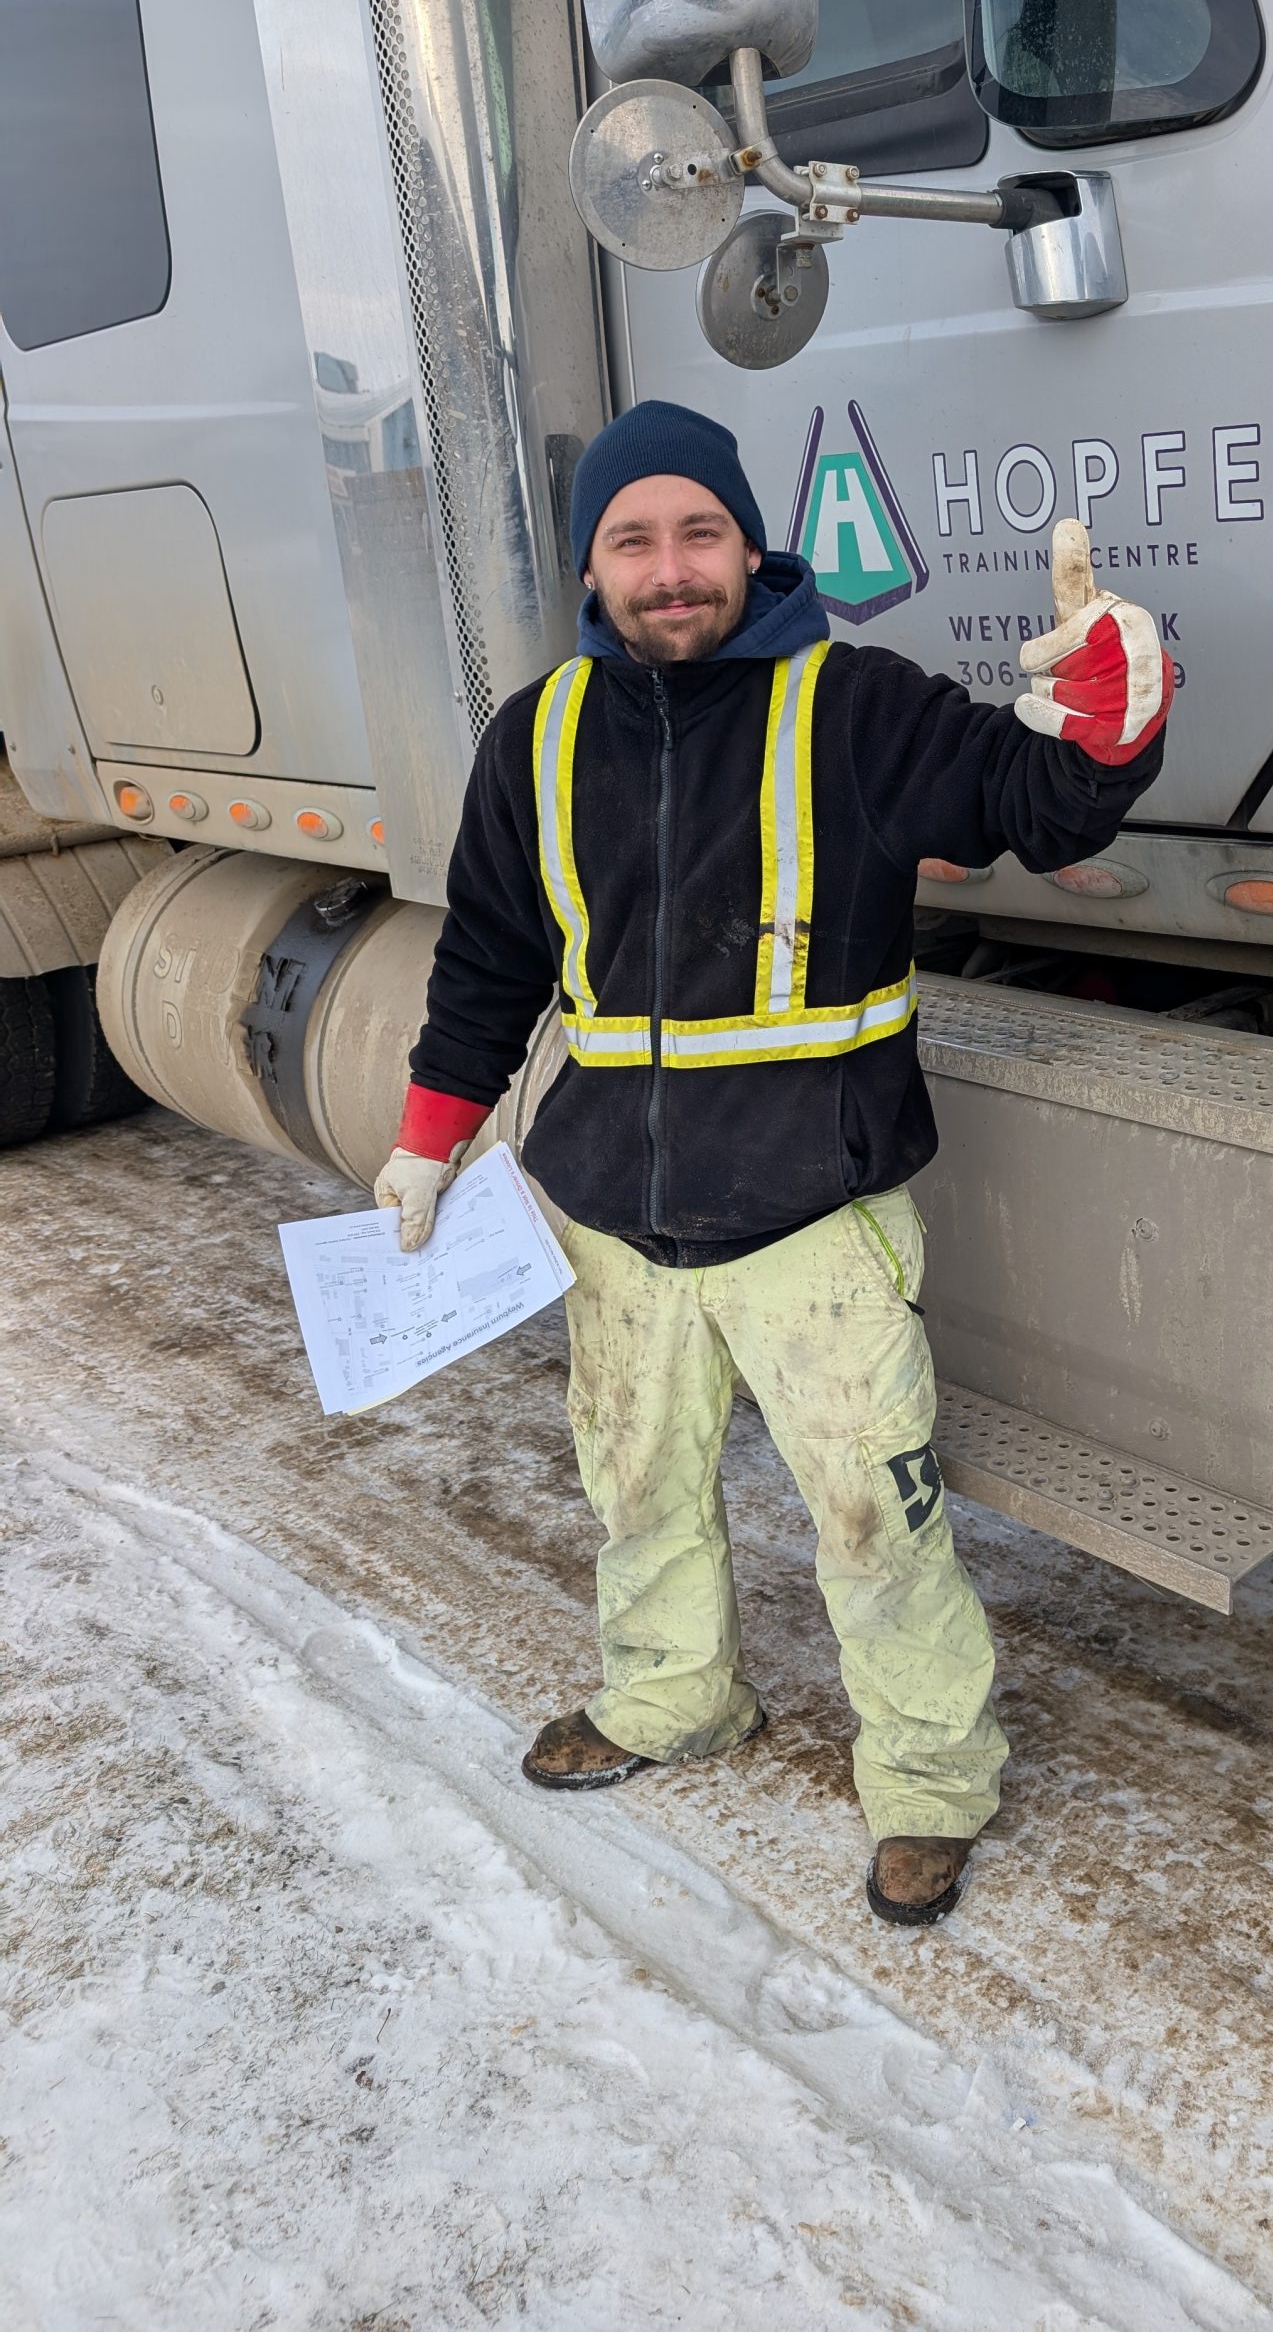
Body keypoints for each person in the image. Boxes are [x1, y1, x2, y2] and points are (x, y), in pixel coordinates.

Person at [374, 399, 1173, 1923]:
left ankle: (930, 1781)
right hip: (611, 1213)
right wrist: (428, 1143)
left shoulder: (857, 706)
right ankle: (672, 1698)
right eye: (633, 540)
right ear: (592, 566)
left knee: (877, 1524)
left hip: (813, 1216)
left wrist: (1105, 721)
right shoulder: (536, 735)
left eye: (700, 532)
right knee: (638, 1489)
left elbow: (1036, 805)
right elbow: (488, 960)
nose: (670, 567)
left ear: (751, 546)